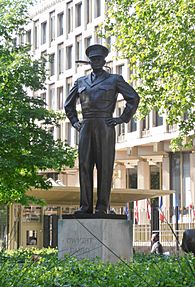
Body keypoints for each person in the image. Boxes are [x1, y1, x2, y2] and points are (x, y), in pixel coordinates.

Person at [64, 44, 140, 215]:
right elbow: (68, 105)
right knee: (84, 165)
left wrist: (121, 118)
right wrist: (76, 122)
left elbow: (133, 98)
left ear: (104, 61)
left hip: (105, 125)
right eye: (93, 59)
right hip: (86, 125)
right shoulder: (80, 82)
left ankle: (102, 206)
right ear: (89, 62)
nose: (96, 62)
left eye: (99, 59)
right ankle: (85, 206)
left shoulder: (114, 79)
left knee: (104, 166)